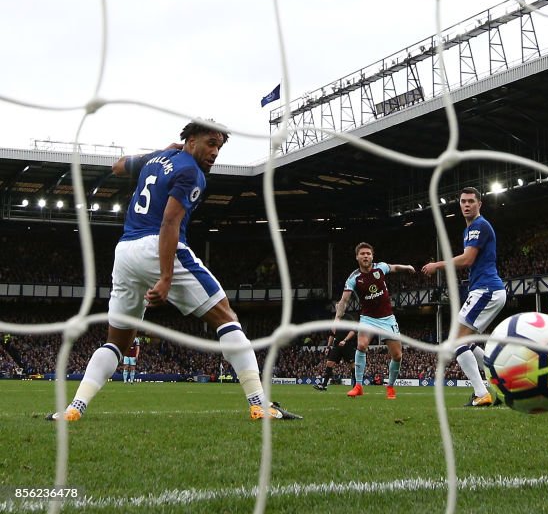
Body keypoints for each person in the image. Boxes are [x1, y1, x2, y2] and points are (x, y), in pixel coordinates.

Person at [47, 120, 300, 422]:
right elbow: (169, 222)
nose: (215, 152)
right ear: (190, 140)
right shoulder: (191, 172)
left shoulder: (156, 159)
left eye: (219, 146)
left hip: (125, 252)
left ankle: (74, 409)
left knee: (117, 342)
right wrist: (166, 277)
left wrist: (160, 151)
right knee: (226, 317)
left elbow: (117, 167)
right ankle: (260, 403)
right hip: (157, 244)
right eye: (210, 143)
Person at [421, 187, 506, 407]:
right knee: (463, 342)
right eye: (462, 202)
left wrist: (437, 265)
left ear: (480, 204)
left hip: (486, 289)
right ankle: (500, 385)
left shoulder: (479, 225)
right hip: (485, 290)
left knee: (456, 342)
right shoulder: (470, 229)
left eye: (470, 201)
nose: (466, 205)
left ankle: (482, 393)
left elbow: (467, 259)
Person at [336, 242, 416, 399]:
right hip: (368, 319)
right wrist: (337, 318)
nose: (366, 256)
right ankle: (358, 385)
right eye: (362, 254)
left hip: (387, 318)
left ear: (372, 256)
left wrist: (407, 267)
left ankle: (390, 387)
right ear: (357, 257)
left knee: (397, 356)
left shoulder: (381, 267)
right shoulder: (354, 278)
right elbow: (344, 300)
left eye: (368, 253)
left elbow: (395, 267)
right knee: (361, 345)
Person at [313, 313, 356, 391]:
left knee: (352, 366)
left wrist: (345, 340)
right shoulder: (336, 319)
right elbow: (332, 334)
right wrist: (328, 347)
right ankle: (324, 385)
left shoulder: (349, 317)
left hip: (347, 344)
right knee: (329, 363)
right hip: (336, 345)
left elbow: (353, 331)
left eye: (339, 306)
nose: (337, 308)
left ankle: (355, 386)